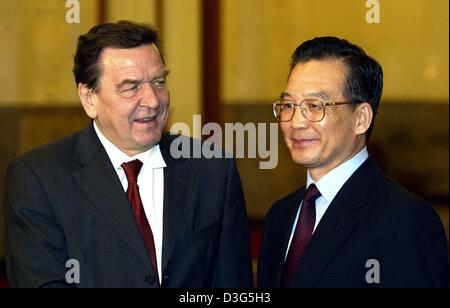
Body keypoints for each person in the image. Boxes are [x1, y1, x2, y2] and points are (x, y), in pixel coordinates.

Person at [4, 21, 253, 288]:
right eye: (131, 87)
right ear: (89, 98)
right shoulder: (38, 179)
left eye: (158, 82)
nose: (153, 101)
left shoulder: (212, 169)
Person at [258, 36, 448, 288]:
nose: (296, 122)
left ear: (361, 118)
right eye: (288, 105)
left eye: (315, 106)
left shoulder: (404, 220)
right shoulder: (280, 215)